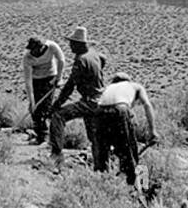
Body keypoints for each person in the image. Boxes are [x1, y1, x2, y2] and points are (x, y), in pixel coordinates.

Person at [47, 26, 108, 172]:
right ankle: (101, 168)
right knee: (94, 136)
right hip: (101, 99)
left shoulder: (81, 61)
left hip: (89, 102)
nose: (70, 45)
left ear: (79, 44)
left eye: (72, 43)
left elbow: (69, 87)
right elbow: (103, 60)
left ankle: (57, 155)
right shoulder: (94, 54)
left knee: (58, 116)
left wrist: (56, 105)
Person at [92, 73, 156, 185]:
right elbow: (147, 105)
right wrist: (152, 131)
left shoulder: (109, 88)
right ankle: (133, 186)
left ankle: (101, 183)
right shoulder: (135, 86)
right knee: (128, 150)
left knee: (102, 152)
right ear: (128, 80)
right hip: (120, 110)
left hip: (99, 112)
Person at [21, 37, 66, 145]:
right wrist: (32, 101)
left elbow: (61, 60)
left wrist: (59, 78)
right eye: (31, 49)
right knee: (35, 110)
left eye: (34, 49)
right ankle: (41, 136)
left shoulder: (52, 46)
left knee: (45, 107)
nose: (32, 52)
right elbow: (28, 81)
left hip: (50, 77)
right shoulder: (27, 57)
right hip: (36, 79)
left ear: (41, 47)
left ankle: (46, 137)